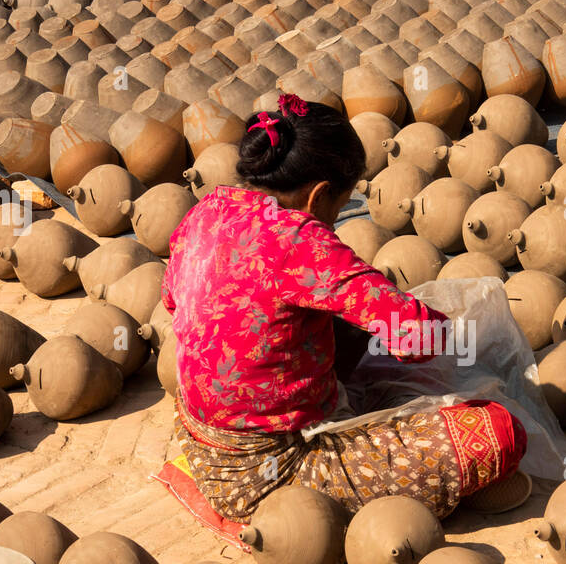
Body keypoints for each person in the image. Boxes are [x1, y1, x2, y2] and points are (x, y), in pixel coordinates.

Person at [160, 94, 527, 525]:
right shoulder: (299, 240)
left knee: (337, 324)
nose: (333, 221)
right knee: (498, 433)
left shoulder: (205, 212)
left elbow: (173, 299)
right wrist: (450, 329)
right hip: (269, 472)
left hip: (201, 442)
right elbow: (418, 335)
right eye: (339, 205)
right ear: (318, 196)